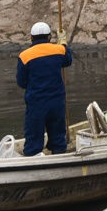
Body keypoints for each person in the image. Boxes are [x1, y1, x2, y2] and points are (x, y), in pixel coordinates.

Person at [16, 19, 73, 156]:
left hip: (36, 103)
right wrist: (63, 42)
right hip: (57, 102)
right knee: (58, 138)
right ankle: (59, 157)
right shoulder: (59, 50)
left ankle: (33, 161)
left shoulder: (24, 56)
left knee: (34, 139)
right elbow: (68, 60)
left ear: (31, 38)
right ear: (49, 37)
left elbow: (22, 82)